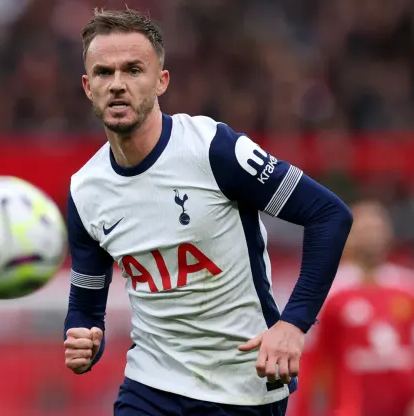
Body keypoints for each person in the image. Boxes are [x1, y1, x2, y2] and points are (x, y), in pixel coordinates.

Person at [62, 8, 353, 416]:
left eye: (132, 70)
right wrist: (82, 341)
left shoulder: (213, 149)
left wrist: (293, 324)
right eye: (104, 73)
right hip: (151, 385)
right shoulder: (85, 190)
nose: (117, 84)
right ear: (87, 86)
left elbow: (329, 215)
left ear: (161, 81)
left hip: (244, 386)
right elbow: (86, 307)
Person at [292, 200, 414, 416]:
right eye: (364, 228)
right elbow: (309, 361)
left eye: (377, 228)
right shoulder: (326, 294)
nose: (372, 235)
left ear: (389, 235)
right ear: (347, 237)